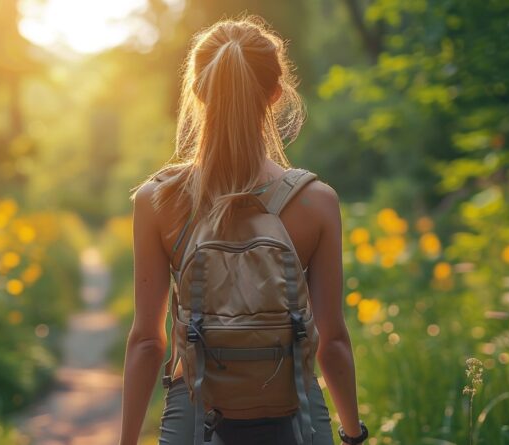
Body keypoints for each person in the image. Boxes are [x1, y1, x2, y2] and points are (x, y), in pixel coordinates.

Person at [119, 15, 365, 445]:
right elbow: (333, 340)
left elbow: (145, 340)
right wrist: (352, 433)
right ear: (275, 94)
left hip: (195, 421)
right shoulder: (316, 201)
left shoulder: (157, 201)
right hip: (295, 419)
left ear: (197, 91)